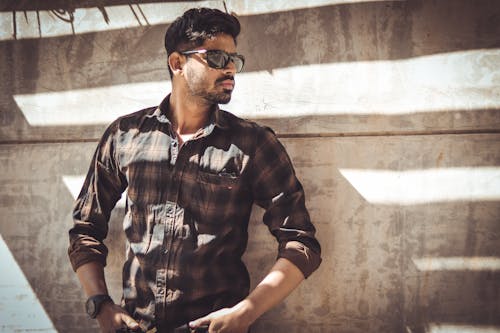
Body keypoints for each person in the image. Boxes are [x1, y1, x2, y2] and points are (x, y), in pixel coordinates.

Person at [68, 7, 321, 333]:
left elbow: (301, 245)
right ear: (177, 64)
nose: (231, 68)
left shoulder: (253, 144)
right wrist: (100, 304)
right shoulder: (125, 136)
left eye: (234, 59)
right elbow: (84, 228)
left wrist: (245, 313)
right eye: (216, 58)